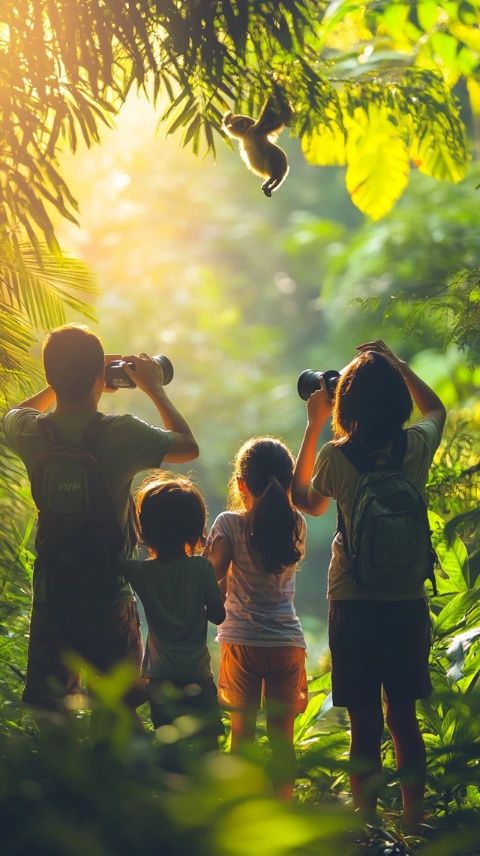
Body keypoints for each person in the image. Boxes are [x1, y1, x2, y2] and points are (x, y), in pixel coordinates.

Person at [292, 340, 446, 832]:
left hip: (354, 601)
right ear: (398, 398)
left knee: (364, 721)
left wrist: (317, 422)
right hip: (406, 601)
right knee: (404, 716)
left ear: (347, 403)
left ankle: (366, 822)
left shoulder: (338, 458)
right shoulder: (415, 447)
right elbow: (436, 408)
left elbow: (307, 503)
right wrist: (399, 365)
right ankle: (414, 816)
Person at [3, 324, 199, 710]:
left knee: (51, 717)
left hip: (52, 594)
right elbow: (187, 447)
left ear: (50, 375)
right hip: (108, 595)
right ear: (99, 376)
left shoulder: (30, 432)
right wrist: (153, 387)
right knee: (118, 719)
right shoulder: (121, 432)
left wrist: (59, 385)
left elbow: (13, 413)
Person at [205, 437, 307, 799]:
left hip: (242, 641)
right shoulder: (295, 523)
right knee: (283, 740)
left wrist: (200, 554)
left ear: (241, 484)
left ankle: (240, 813)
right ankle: (283, 811)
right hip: (286, 642)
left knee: (242, 734)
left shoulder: (228, 523)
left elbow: (213, 575)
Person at [124, 473, 225, 746]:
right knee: (207, 747)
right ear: (195, 528)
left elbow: (114, 560)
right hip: (197, 675)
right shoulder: (202, 568)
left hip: (160, 679)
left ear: (145, 529)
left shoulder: (139, 572)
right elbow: (219, 615)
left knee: (169, 746)